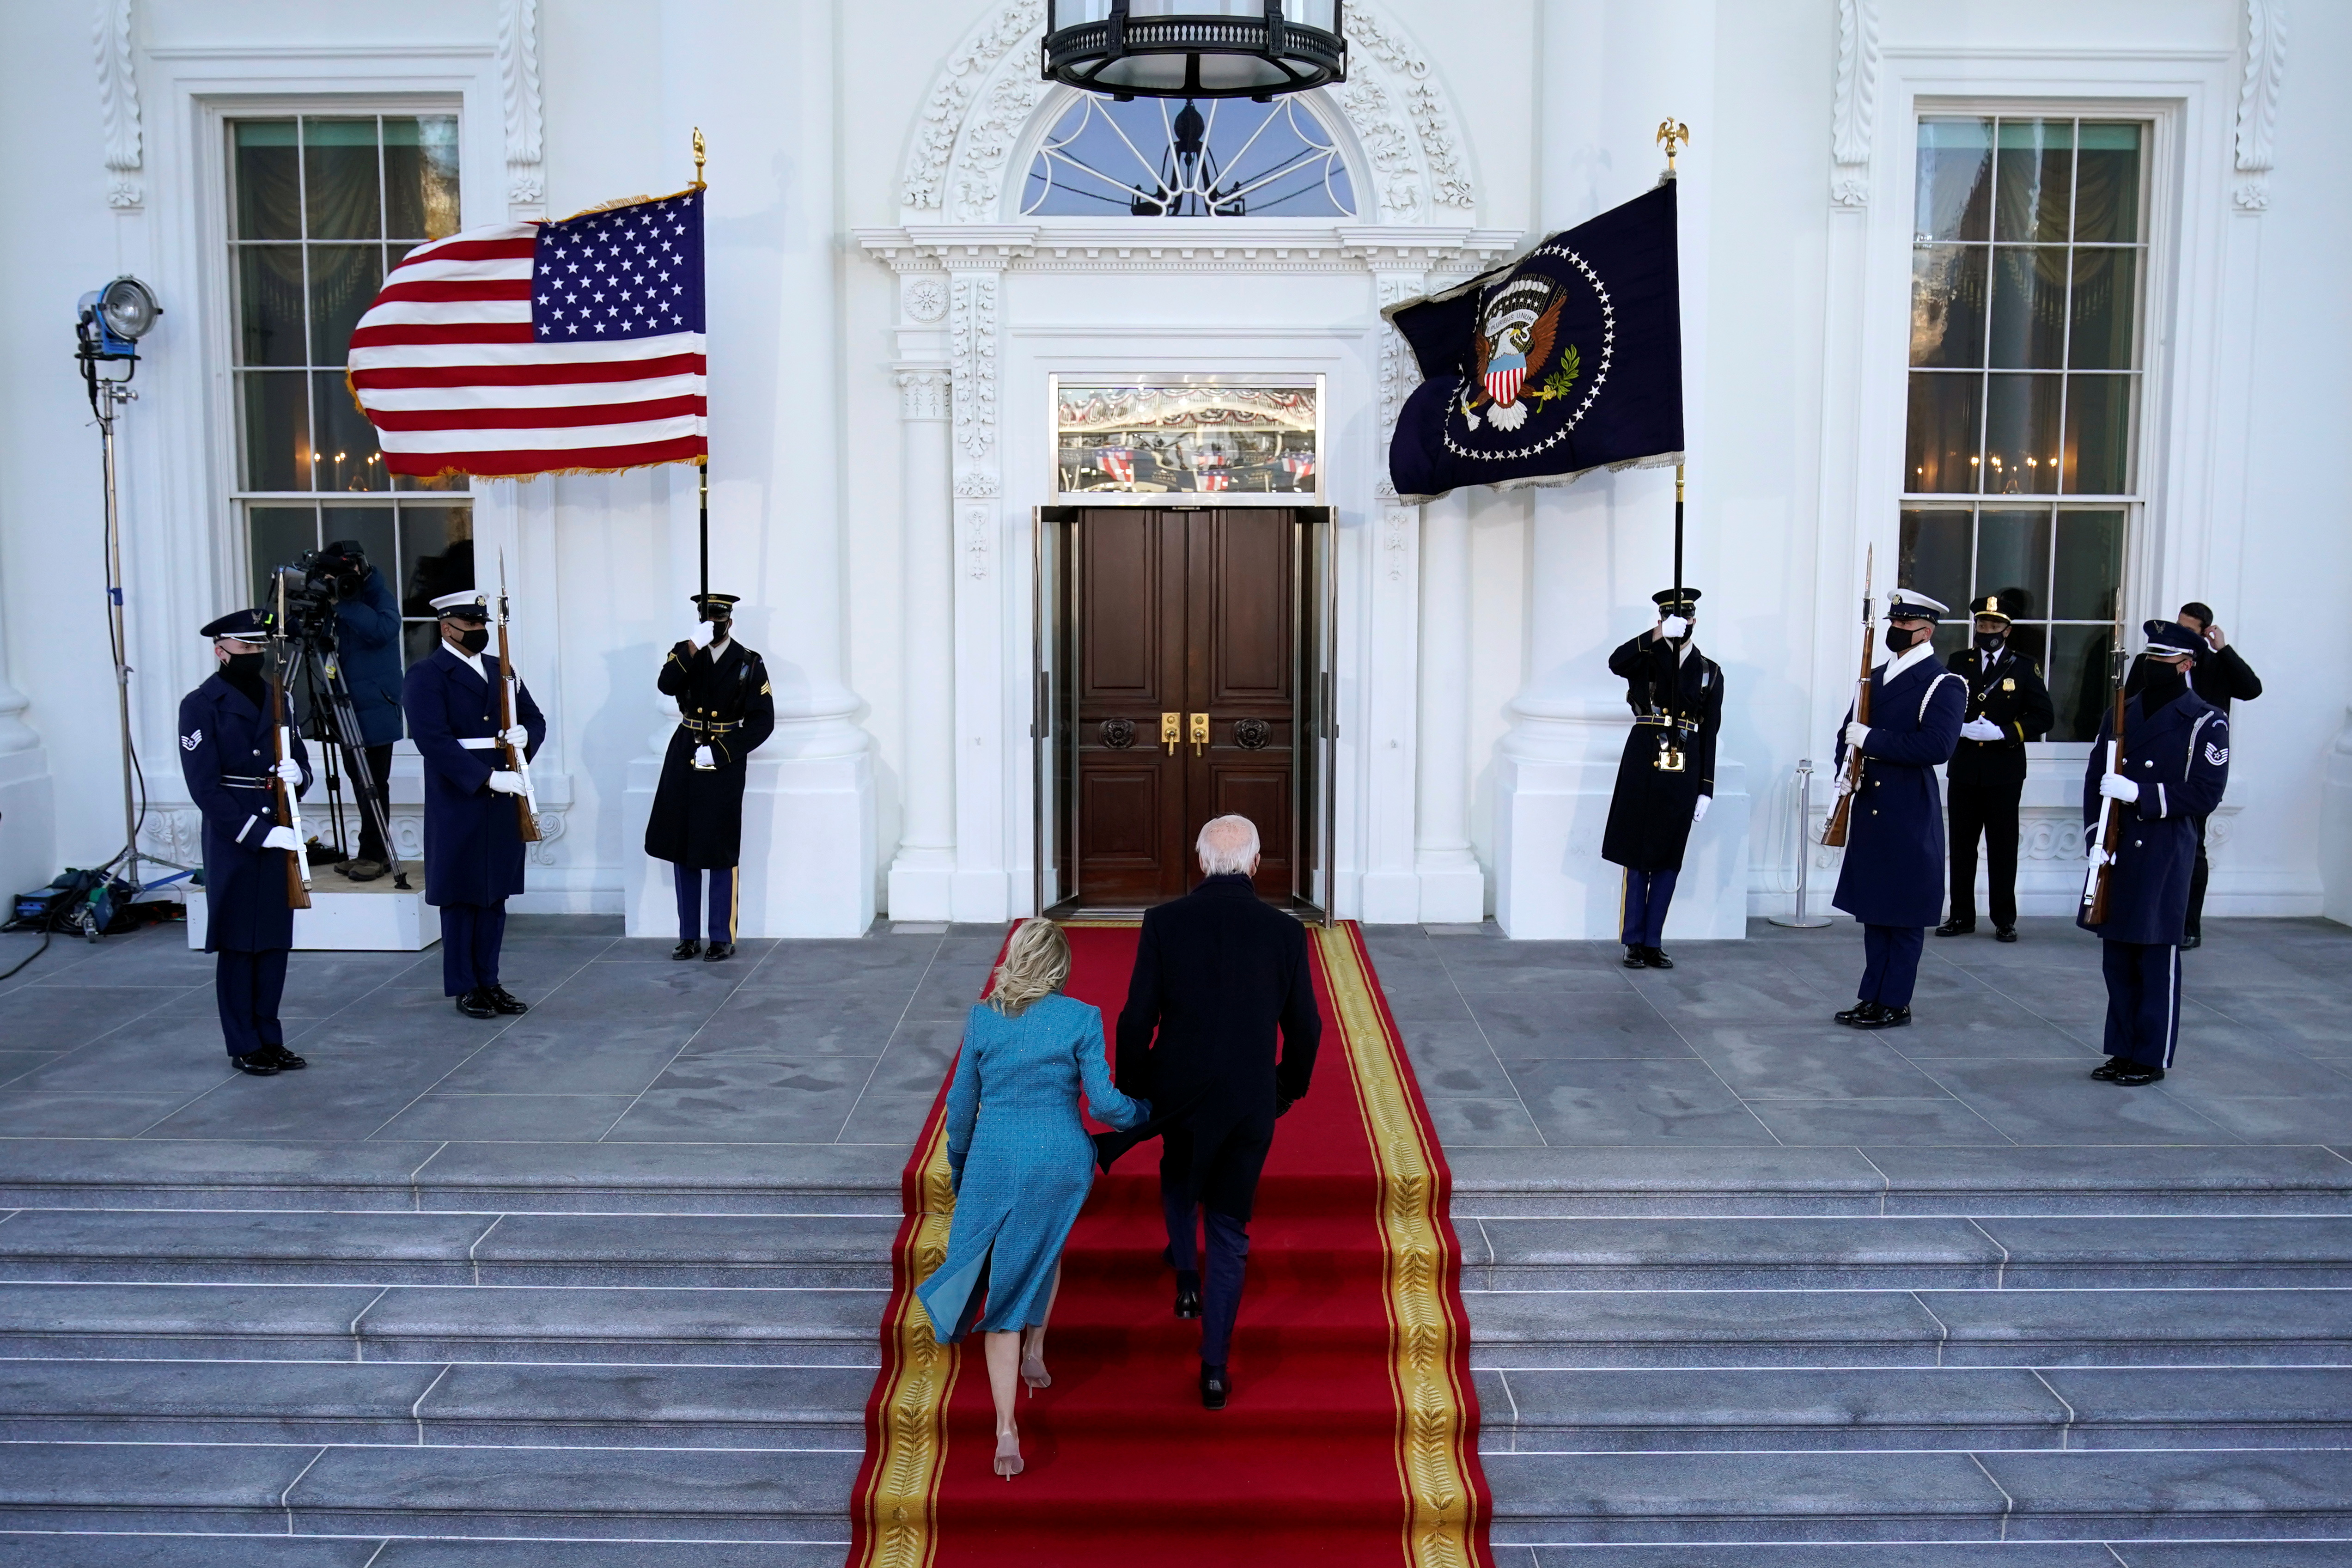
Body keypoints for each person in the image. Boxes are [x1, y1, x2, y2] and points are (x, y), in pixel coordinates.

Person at [916, 918, 1152, 1479]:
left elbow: (960, 1106)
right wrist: (1141, 1116)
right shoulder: (1081, 1018)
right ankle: (1036, 1352)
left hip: (995, 1162)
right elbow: (1104, 1104)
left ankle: (1005, 1427)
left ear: (1015, 958)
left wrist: (958, 1165)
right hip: (1061, 1164)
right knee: (1043, 1250)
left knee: (1003, 1290)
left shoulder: (983, 1019)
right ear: (1059, 966)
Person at [1115, 815, 1321, 1411]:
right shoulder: (1284, 933)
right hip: (1248, 1096)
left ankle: (1185, 1282)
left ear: (1201, 863)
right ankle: (1213, 1369)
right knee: (1230, 1229)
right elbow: (1304, 1026)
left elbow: (1136, 1017)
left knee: (1177, 1171)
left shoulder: (1164, 922)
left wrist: (1134, 1086)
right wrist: (1285, 1089)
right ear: (1255, 865)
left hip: (1178, 1091)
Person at [2080, 620, 2230, 1085]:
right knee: (2117, 957)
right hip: (2118, 848)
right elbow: (2094, 781)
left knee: (2154, 958)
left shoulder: (2206, 721)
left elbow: (2204, 794)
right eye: (2150, 660)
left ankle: (2150, 1056)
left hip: (2164, 850)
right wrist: (2094, 839)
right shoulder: (2121, 714)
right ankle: (2121, 1049)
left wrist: (2139, 793)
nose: (2153, 667)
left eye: (2163, 661)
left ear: (2186, 665)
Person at [179, 609, 313, 1076]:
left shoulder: (280, 697)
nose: (255, 655)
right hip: (236, 837)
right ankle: (243, 1042)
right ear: (220, 650)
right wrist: (257, 832)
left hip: (278, 825)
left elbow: (297, 757)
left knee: (274, 942)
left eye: (260, 647)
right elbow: (205, 788)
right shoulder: (201, 704)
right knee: (240, 944)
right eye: (245, 647)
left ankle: (269, 1038)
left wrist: (301, 775)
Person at [402, 589, 546, 1019]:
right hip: (459, 795)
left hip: (504, 793)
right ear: (447, 628)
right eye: (471, 626)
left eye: (483, 625)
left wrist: (526, 739)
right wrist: (485, 777)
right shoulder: (427, 674)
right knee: (462, 896)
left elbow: (534, 717)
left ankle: (490, 979)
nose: (480, 632)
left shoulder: (500, 669)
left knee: (494, 893)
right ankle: (465, 985)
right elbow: (433, 740)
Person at [1829, 590, 1966, 1030]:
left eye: (1904, 626)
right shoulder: (1874, 677)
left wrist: (1872, 742)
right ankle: (1872, 995)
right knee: (1876, 909)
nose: (1895, 631)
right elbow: (1848, 732)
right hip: (1871, 803)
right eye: (1894, 623)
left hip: (1909, 807)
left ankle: (1896, 1000)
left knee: (1904, 914)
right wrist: (1844, 772)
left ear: (1925, 631)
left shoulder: (1943, 683)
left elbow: (1938, 746)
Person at [645, 593, 775, 961]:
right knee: (682, 843)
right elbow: (666, 684)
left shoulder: (749, 662)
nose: (713, 628)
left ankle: (722, 935)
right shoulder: (686, 653)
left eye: (718, 622)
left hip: (724, 756)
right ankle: (688, 935)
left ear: (730, 623)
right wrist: (692, 645)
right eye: (706, 622)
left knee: (720, 846)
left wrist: (722, 751)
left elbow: (763, 720)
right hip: (685, 751)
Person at [1602, 587, 1724, 970]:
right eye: (1671, 619)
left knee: (1670, 856)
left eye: (1686, 617)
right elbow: (1615, 662)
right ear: (1661, 620)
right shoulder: (1645, 658)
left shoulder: (1710, 671)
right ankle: (1633, 940)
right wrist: (1655, 638)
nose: (1681, 624)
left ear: (1694, 620)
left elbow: (1711, 731)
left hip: (1683, 765)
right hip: (1643, 759)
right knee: (1637, 855)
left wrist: (1706, 787)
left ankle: (1654, 941)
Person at [1937, 594, 2054, 943]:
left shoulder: (2023, 666)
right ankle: (1961, 915)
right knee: (1961, 845)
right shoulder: (1960, 660)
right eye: (1982, 624)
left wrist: (2004, 733)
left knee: (2002, 846)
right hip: (1965, 767)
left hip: (2004, 769)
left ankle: (2004, 918)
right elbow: (1943, 702)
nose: (1986, 630)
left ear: (2007, 629)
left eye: (1993, 625)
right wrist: (1956, 727)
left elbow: (2044, 716)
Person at [313, 540, 405, 881]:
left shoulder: (376, 594)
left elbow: (384, 630)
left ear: (359, 567)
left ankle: (376, 854)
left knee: (374, 782)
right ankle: (368, 850)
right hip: (344, 702)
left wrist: (345, 603)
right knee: (358, 779)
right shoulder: (336, 596)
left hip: (376, 705)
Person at [2175, 602, 2261, 949]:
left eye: (2189, 629)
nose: (2181, 634)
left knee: (2193, 845)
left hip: (2199, 771)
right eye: (2177, 625)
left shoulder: (2216, 664)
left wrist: (2222, 648)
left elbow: (2251, 688)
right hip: (2163, 765)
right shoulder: (2162, 661)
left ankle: (2189, 926)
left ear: (2205, 633)